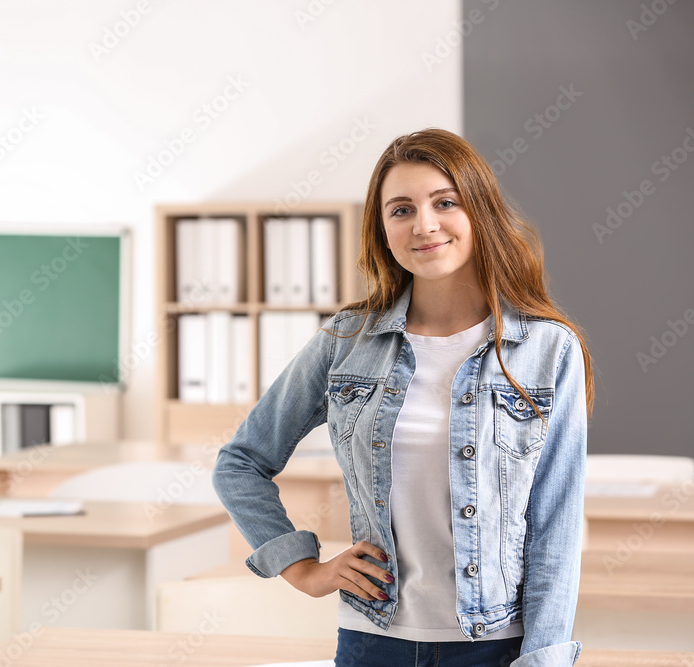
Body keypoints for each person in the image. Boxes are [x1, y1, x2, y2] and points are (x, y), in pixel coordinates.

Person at [211, 127, 594, 666]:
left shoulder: (548, 349)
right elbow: (241, 462)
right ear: (383, 229)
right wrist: (303, 568)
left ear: (478, 212)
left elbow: (556, 524)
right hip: (373, 641)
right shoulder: (346, 342)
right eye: (401, 210)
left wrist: (544, 660)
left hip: (494, 648)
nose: (425, 225)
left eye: (445, 202)